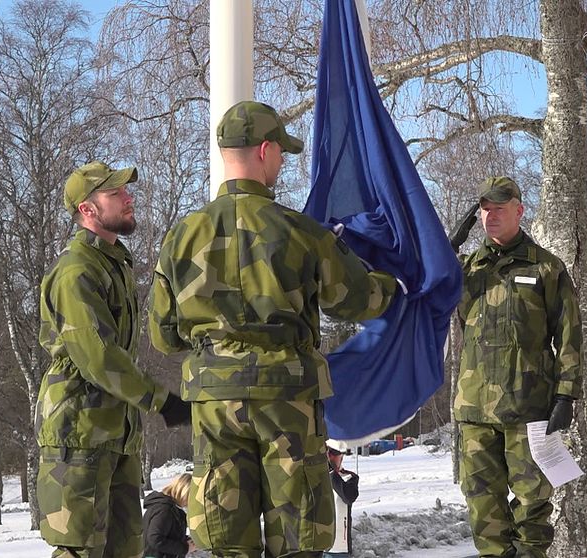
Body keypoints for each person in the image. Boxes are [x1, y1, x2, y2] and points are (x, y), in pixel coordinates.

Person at [148, 101, 399, 558]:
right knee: (297, 538)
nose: (282, 161)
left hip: (215, 403)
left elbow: (164, 335)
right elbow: (359, 300)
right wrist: (399, 283)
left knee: (226, 541)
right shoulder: (299, 231)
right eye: (281, 151)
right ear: (264, 150)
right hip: (287, 400)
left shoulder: (181, 237)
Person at [36, 160, 192, 558]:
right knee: (79, 550)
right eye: (115, 193)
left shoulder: (112, 263)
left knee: (125, 549)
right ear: (87, 210)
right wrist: (162, 401)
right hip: (80, 431)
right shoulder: (76, 271)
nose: (128, 198)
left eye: (126, 190)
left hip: (116, 433)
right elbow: (98, 358)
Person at [450, 176, 582, 558]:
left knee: (533, 508)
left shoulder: (546, 268)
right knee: (482, 508)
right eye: (485, 209)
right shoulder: (468, 268)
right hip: (475, 411)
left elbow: (569, 334)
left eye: (499, 208)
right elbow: (429, 296)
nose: (490, 215)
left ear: (519, 211)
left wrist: (566, 395)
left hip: (528, 411)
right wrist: (445, 251)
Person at [142, 473, 194, 558]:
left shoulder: (171, 508)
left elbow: (169, 533)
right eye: (190, 497)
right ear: (183, 491)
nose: (190, 502)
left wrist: (186, 540)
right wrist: (184, 548)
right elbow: (155, 539)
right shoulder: (164, 510)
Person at [325, 443, 359, 558]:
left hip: (339, 547)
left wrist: (330, 471)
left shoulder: (349, 477)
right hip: (316, 545)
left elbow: (348, 496)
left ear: (342, 456)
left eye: (334, 453)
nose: (330, 457)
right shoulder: (316, 478)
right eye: (327, 453)